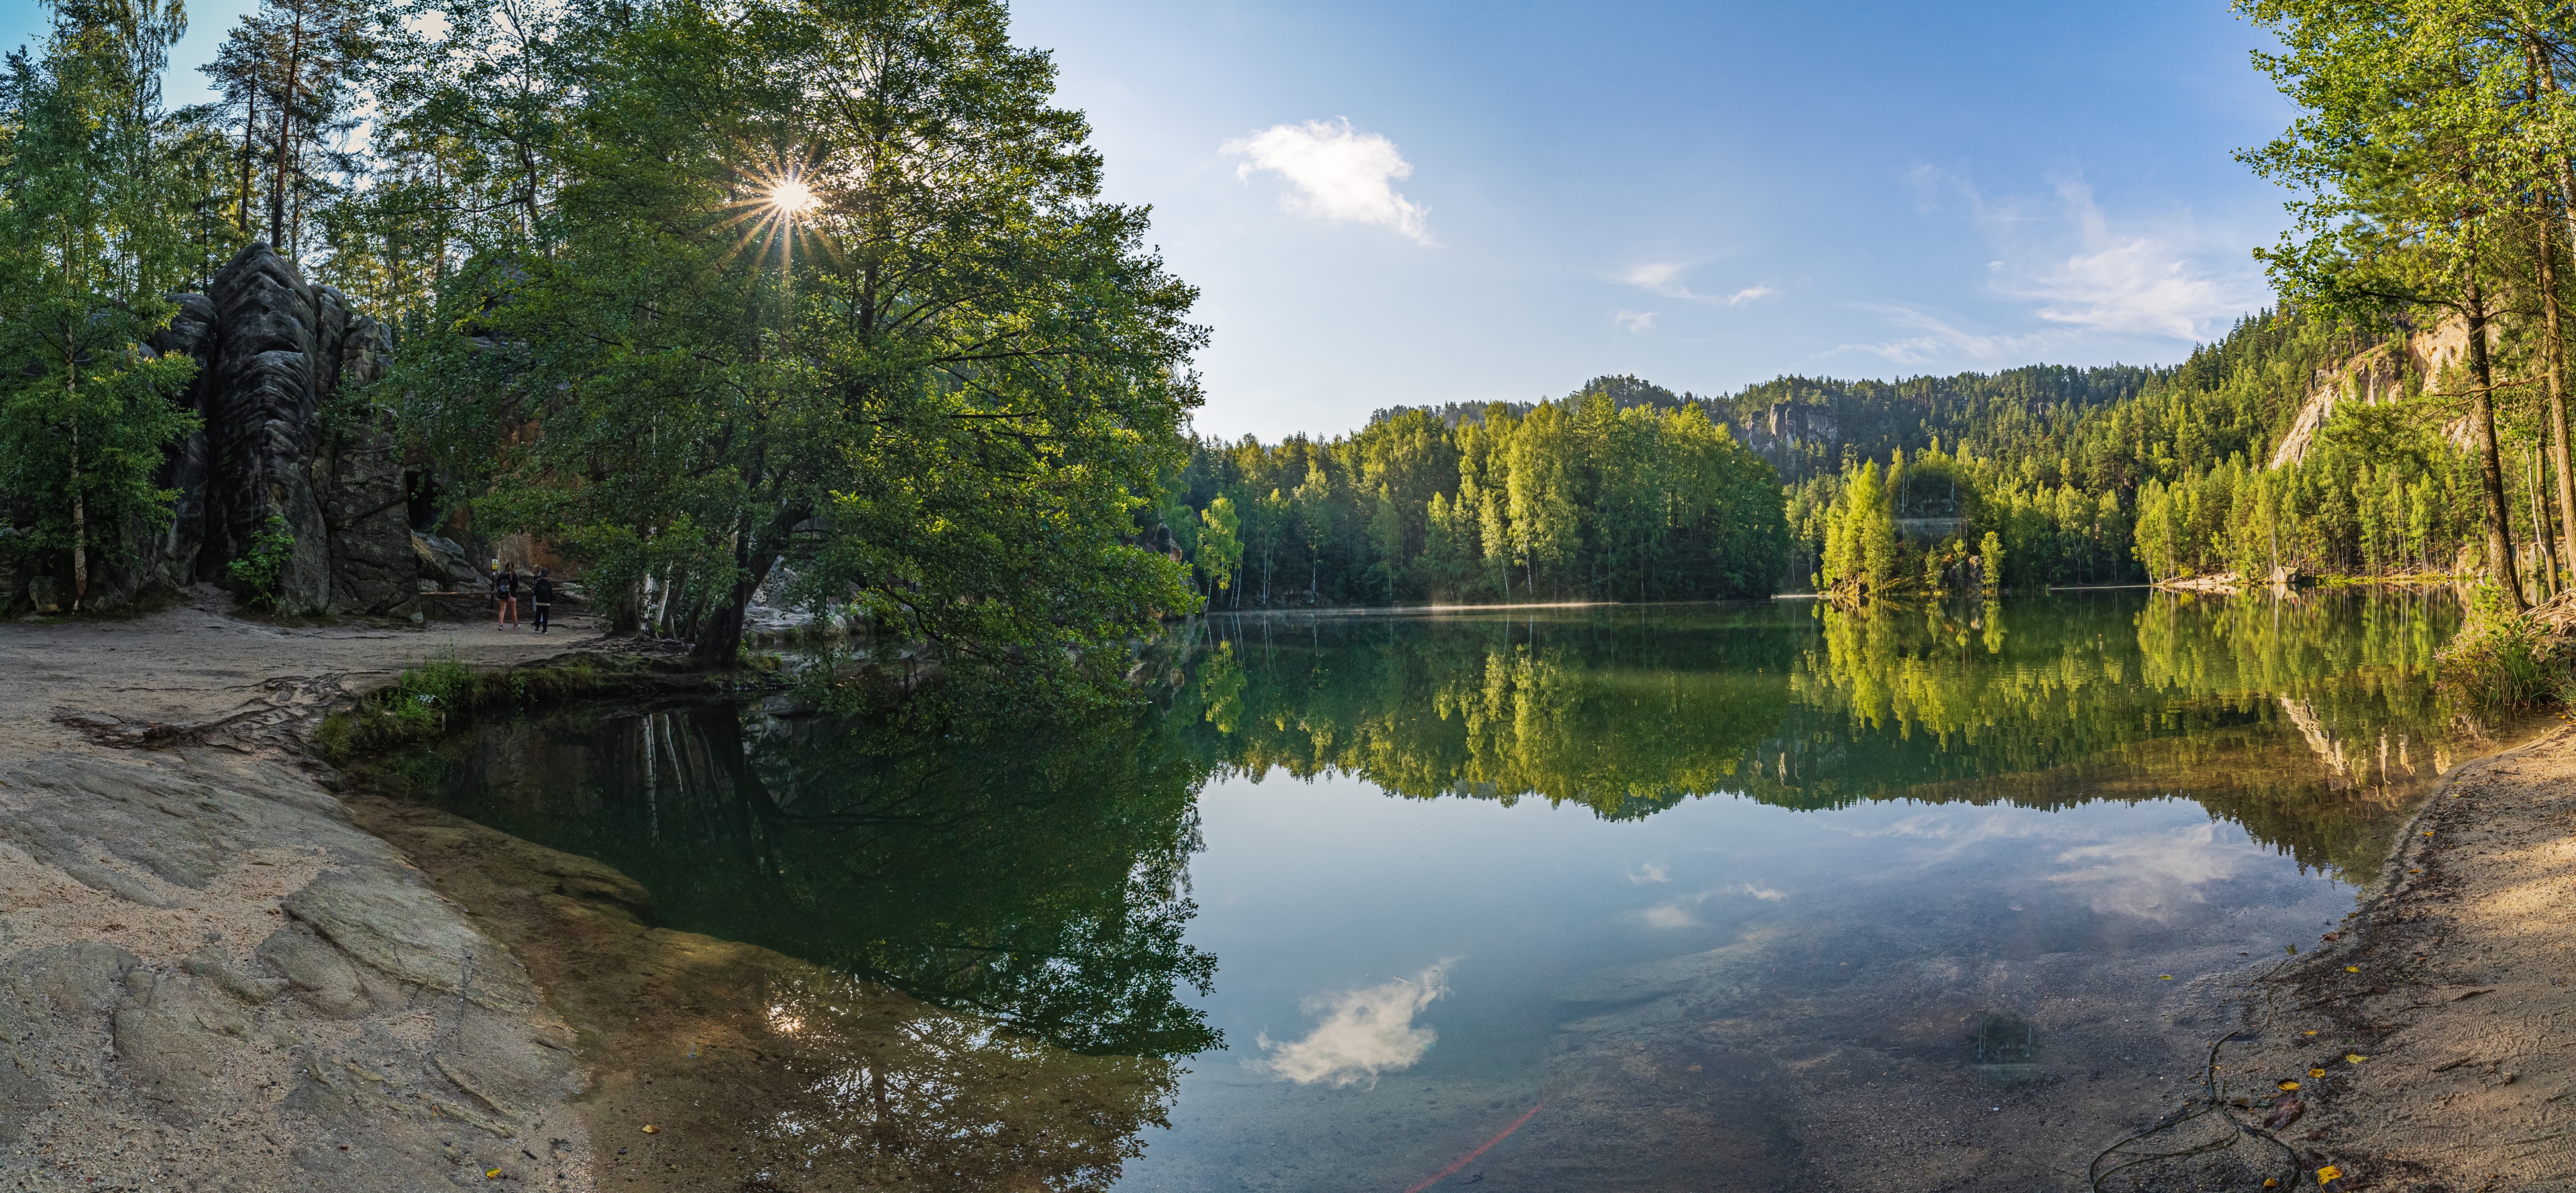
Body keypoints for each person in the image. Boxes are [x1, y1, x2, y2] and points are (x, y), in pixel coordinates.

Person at [494, 565, 520, 630]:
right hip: (512, 594)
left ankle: (501, 625)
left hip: (502, 594)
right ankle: (515, 626)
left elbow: (498, 584)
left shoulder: (501, 575)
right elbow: (516, 586)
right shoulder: (514, 575)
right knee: (513, 610)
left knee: (502, 610)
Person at [531, 567, 555, 634]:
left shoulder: (538, 582)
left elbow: (535, 592)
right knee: (545, 616)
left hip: (539, 601)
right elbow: (551, 593)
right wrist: (550, 600)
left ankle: (537, 628)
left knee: (538, 615)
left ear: (541, 575)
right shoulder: (549, 583)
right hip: (546, 602)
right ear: (547, 575)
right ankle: (545, 629)